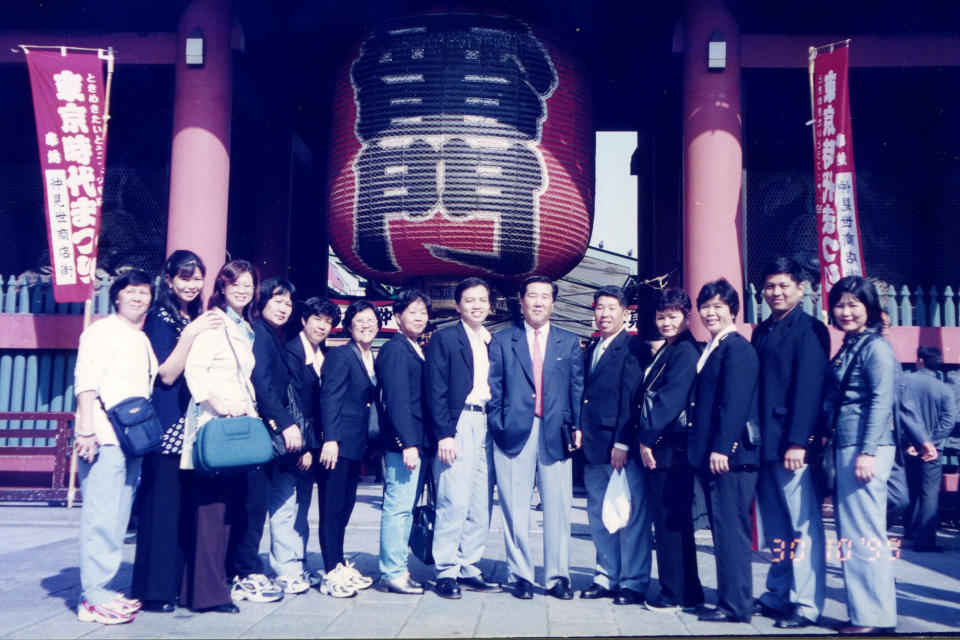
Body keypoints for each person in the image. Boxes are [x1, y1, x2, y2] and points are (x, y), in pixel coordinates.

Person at [130, 251, 221, 613]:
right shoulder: (160, 318)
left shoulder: (194, 315)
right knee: (161, 510)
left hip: (193, 426)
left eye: (197, 277)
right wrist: (192, 333)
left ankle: (180, 587)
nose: (191, 284)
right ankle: (154, 591)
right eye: (184, 277)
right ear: (168, 279)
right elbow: (166, 373)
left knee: (185, 509)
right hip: (167, 428)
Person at [488, 275, 584, 600]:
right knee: (515, 508)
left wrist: (576, 427)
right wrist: (498, 424)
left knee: (558, 507)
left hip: (555, 432)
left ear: (553, 303)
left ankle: (558, 577)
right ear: (522, 300)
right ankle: (521, 576)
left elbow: (576, 389)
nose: (539, 301)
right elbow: (494, 388)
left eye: (545, 296)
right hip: (514, 431)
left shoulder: (569, 342)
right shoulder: (502, 341)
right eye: (533, 295)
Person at [73, 269, 158, 625]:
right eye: (131, 291)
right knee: (101, 517)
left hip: (130, 440)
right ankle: (92, 598)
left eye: (144, 292)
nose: (138, 298)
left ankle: (104, 589)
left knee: (118, 516)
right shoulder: (101, 331)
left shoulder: (140, 337)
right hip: (104, 438)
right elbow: (86, 381)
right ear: (117, 295)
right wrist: (86, 430)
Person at [751, 258, 830, 629]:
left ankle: (805, 604)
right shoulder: (762, 330)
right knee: (777, 527)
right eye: (770, 286)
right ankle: (776, 593)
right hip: (764, 442)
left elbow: (809, 388)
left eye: (783, 286)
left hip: (792, 444)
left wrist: (800, 440)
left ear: (801, 288)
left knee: (802, 526)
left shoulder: (811, 329)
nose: (776, 293)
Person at [180, 259, 261, 614]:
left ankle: (203, 589)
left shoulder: (242, 325)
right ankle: (208, 595)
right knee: (213, 510)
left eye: (249, 284)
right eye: (236, 283)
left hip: (236, 425)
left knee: (227, 509)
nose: (244, 289)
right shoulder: (215, 323)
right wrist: (221, 405)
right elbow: (195, 372)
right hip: (217, 424)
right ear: (223, 287)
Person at [822, 276, 898, 635]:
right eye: (840, 304)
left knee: (865, 533)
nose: (846, 311)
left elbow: (882, 401)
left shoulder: (876, 349)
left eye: (854, 304)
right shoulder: (852, 344)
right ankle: (864, 612)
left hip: (864, 448)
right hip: (847, 445)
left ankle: (875, 617)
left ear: (869, 307)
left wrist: (867, 452)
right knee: (851, 534)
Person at [688, 278, 759, 623]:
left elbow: (736, 403)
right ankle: (731, 599)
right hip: (716, 456)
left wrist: (723, 448)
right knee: (723, 530)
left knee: (730, 531)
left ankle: (735, 606)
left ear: (733, 309)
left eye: (719, 305)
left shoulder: (737, 348)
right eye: (706, 306)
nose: (711, 312)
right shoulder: (715, 346)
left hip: (729, 459)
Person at [426, 277, 501, 599]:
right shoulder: (445, 338)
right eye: (469, 300)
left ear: (490, 305)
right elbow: (435, 390)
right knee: (453, 499)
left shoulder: (491, 341)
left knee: (480, 501)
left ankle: (469, 565)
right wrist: (444, 434)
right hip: (459, 423)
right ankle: (446, 569)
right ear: (458, 306)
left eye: (482, 300)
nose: (476, 305)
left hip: (488, 424)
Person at [635, 287, 705, 613]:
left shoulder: (684, 351)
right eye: (661, 316)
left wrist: (646, 438)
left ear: (686, 316)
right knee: (675, 520)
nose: (666, 322)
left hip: (668, 447)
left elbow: (670, 401)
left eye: (672, 316)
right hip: (668, 446)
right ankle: (689, 591)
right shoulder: (671, 348)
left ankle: (672, 592)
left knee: (667, 522)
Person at [578, 285, 649, 605]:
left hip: (619, 447)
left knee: (628, 515)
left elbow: (631, 399)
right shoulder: (593, 347)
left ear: (624, 312)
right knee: (599, 515)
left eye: (610, 308)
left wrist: (622, 441)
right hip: (593, 446)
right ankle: (606, 576)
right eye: (599, 308)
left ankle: (633, 582)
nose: (604, 314)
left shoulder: (632, 348)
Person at [241, 278, 310, 598]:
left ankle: (271, 568)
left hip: (274, 434)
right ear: (263, 300)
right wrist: (285, 424)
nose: (284, 308)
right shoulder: (260, 334)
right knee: (255, 506)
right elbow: (262, 385)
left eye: (288, 303)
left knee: (274, 502)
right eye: (277, 301)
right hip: (266, 434)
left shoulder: (271, 336)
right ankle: (247, 571)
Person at [317, 300, 380, 597]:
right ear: (350, 326)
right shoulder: (342, 356)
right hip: (338, 444)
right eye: (359, 321)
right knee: (332, 508)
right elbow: (330, 397)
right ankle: (330, 571)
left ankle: (339, 563)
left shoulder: (370, 357)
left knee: (345, 506)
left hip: (356, 444)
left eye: (370, 320)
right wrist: (330, 438)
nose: (366, 325)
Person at [374, 289, 431, 594]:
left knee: (405, 508)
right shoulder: (396, 349)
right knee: (397, 507)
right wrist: (408, 442)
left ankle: (398, 567)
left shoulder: (413, 347)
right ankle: (391, 572)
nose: (419, 317)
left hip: (414, 442)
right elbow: (395, 402)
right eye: (412, 312)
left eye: (423, 312)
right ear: (397, 317)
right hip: (403, 445)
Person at [281, 297, 340, 585]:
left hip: (311, 444)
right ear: (304, 320)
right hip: (294, 443)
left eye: (328, 321)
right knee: (286, 506)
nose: (323, 326)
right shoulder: (292, 353)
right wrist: (303, 446)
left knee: (301, 506)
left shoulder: (321, 354)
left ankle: (297, 564)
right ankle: (286, 570)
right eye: (317, 319)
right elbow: (291, 401)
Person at [900, 346, 955, 551]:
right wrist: (929, 442)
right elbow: (948, 421)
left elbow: (897, 414)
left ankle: (910, 532)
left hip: (908, 446)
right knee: (929, 492)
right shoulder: (944, 389)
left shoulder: (905, 382)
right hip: (933, 450)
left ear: (920, 360)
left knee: (910, 488)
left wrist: (913, 442)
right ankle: (925, 540)